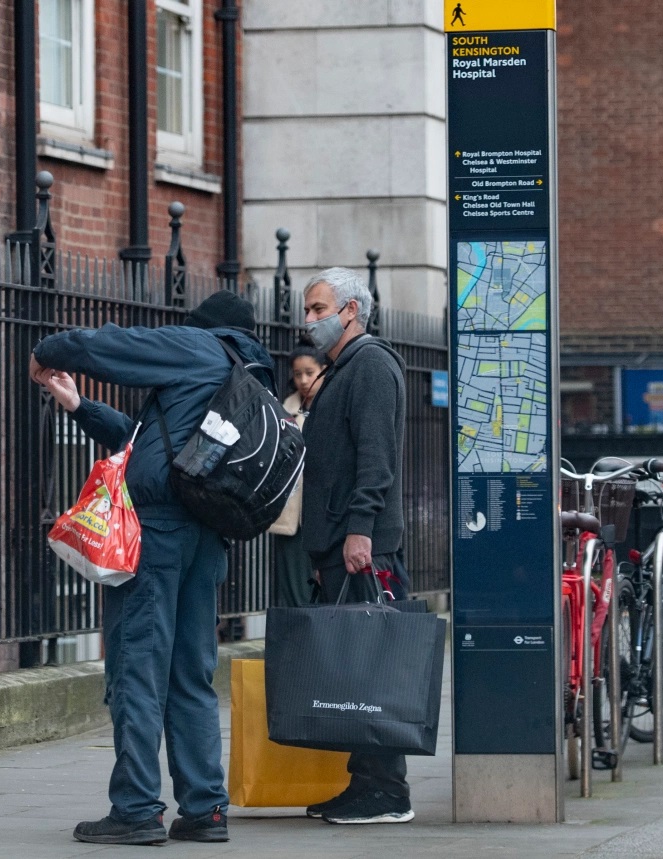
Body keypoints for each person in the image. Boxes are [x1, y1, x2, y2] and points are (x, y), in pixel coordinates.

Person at [29, 290, 275, 846]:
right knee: (190, 674)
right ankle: (205, 808)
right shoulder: (252, 374)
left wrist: (50, 349)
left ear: (201, 327)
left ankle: (137, 808)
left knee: (138, 666)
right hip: (206, 538)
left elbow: (115, 345)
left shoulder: (198, 348)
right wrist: (79, 406)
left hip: (158, 535)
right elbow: (155, 446)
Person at [298, 266, 413, 825]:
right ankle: (364, 783)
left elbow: (377, 458)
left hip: (362, 547)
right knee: (354, 670)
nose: (309, 319)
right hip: (337, 545)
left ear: (350, 311)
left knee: (374, 670)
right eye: (307, 309)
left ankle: (388, 792)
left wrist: (359, 531)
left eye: (319, 309)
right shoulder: (342, 369)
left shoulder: (370, 366)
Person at [269, 336, 330, 607]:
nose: (304, 380)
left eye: (310, 373)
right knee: (294, 592)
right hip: (290, 517)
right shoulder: (284, 410)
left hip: (324, 514)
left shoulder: (332, 405)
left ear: (323, 371)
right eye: (297, 374)